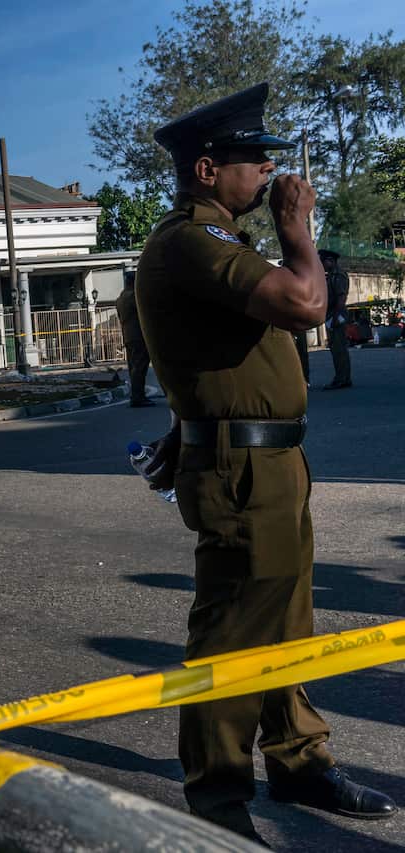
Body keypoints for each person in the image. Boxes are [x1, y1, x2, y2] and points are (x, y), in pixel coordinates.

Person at [136, 83, 396, 844]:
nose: (269, 170)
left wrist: (183, 426)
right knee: (229, 637)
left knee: (287, 622)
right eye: (254, 158)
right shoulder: (190, 240)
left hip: (272, 463)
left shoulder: (218, 241)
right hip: (240, 471)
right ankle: (215, 798)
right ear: (208, 168)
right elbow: (307, 302)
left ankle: (297, 756)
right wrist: (297, 228)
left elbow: (209, 360)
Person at [115, 273, 155, 407]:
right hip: (139, 335)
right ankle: (138, 396)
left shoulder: (120, 298)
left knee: (134, 366)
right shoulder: (133, 296)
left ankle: (137, 395)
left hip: (128, 336)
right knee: (139, 367)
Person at [320, 248, 352, 389]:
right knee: (336, 348)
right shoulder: (330, 275)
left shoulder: (338, 275)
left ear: (330, 261)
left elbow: (341, 298)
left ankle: (342, 379)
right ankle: (343, 378)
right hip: (332, 315)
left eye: (323, 261)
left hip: (336, 315)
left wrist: (334, 318)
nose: (322, 264)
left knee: (339, 349)